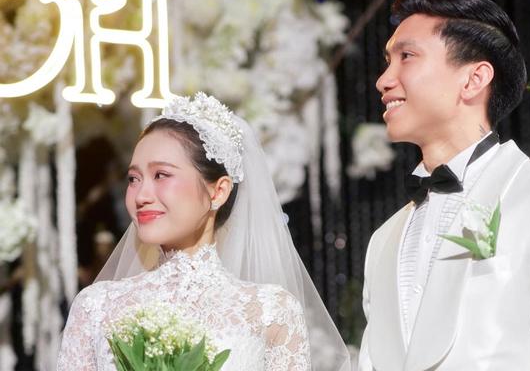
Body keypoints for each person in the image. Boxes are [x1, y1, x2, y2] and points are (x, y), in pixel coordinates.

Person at [358, 0, 530, 370]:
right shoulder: (383, 240)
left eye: (406, 56)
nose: (383, 80)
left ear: (474, 79)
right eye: (388, 61)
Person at [57, 92, 351, 370]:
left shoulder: (271, 312)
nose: (141, 195)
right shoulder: (96, 307)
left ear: (218, 191)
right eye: (134, 178)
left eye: (161, 175)